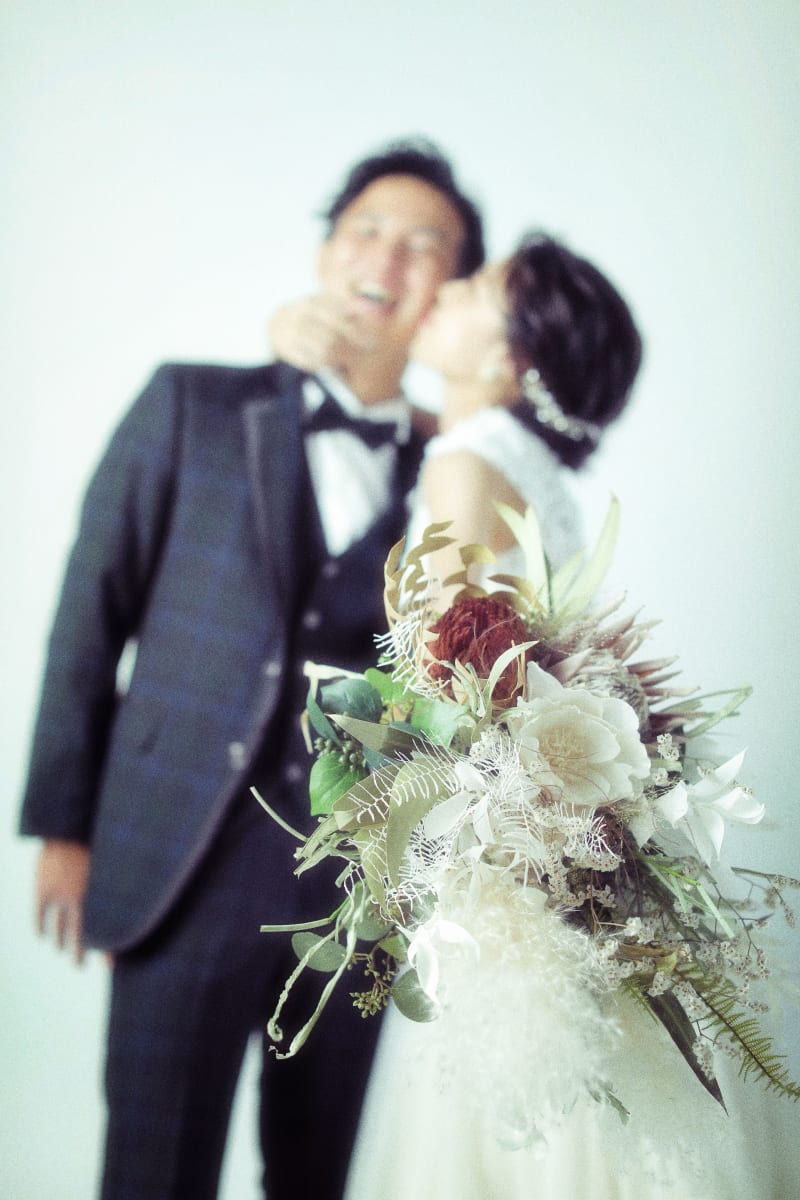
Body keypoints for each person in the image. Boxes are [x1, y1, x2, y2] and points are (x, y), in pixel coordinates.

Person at [18, 137, 484, 1200]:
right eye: (366, 228)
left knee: (314, 1176)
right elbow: (89, 614)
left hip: (362, 889)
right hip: (183, 856)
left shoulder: (456, 465)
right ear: (325, 253)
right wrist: (64, 828)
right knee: (153, 1172)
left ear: (448, 296)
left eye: (425, 245)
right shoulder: (192, 405)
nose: (387, 257)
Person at [345, 236, 799, 1199]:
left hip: (502, 830)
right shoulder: (522, 465)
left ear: (508, 356)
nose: (445, 289)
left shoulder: (466, 459)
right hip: (546, 809)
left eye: (472, 287)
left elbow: (446, 673)